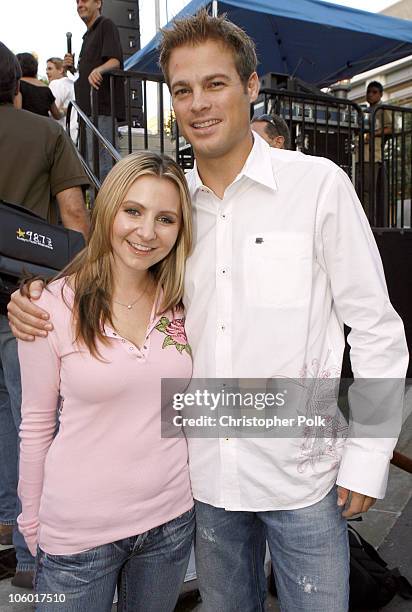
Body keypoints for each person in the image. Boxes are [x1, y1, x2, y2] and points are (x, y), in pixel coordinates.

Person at [8, 11, 409, 612]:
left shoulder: (317, 186)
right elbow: (108, 277)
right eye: (183, 89)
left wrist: (370, 455)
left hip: (303, 475)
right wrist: (34, 299)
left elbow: (377, 327)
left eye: (215, 83)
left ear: (251, 87)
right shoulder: (171, 210)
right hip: (205, 476)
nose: (198, 103)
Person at [17, 151, 194, 611]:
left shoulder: (185, 303)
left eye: (166, 218)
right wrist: (31, 520)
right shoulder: (50, 306)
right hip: (79, 537)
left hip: (171, 523)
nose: (146, 232)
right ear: (108, 209)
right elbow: (35, 424)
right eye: (133, 211)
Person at [0, 41, 90, 589]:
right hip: (28, 300)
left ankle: (7, 535)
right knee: (33, 421)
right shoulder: (46, 134)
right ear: (17, 85)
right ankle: (36, 557)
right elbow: (76, 222)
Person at [63, 0, 125, 180]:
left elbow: (115, 61)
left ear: (98, 3)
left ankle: (109, 206)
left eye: (84, 0)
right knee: (91, 168)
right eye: (77, 1)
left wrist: (99, 69)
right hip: (87, 111)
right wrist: (73, 68)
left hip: (102, 108)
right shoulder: (87, 36)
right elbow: (88, 72)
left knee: (104, 167)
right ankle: (99, 207)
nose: (79, 4)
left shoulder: (106, 25)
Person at [357, 80, 391, 221]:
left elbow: (390, 128)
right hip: (360, 155)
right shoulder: (364, 110)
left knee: (368, 191)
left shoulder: (382, 109)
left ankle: (368, 222)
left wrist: (372, 134)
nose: (370, 94)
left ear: (381, 94)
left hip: (372, 155)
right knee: (361, 189)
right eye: (368, 92)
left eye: (374, 92)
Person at [15, 53, 61, 120]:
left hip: (25, 127)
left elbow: (17, 113)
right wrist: (64, 110)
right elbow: (57, 115)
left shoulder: (17, 85)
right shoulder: (46, 89)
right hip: (44, 127)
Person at [46, 57, 78, 142]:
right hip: (75, 134)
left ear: (60, 70)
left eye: (50, 69)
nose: (47, 72)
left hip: (61, 135)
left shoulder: (57, 83)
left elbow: (51, 111)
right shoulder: (73, 85)